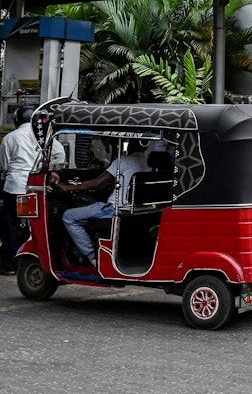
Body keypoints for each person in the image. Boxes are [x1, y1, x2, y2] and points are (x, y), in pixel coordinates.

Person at [53, 138, 149, 268]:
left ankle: (92, 257)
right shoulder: (147, 163)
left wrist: (69, 188)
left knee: (69, 216)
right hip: (132, 208)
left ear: (133, 143)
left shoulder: (123, 160)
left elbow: (96, 183)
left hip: (114, 208)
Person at [0, 107, 66, 275]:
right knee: (35, 225)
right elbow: (60, 155)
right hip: (36, 189)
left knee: (11, 226)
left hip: (14, 187)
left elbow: (4, 165)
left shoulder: (10, 137)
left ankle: (9, 265)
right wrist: (51, 170)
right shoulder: (42, 136)